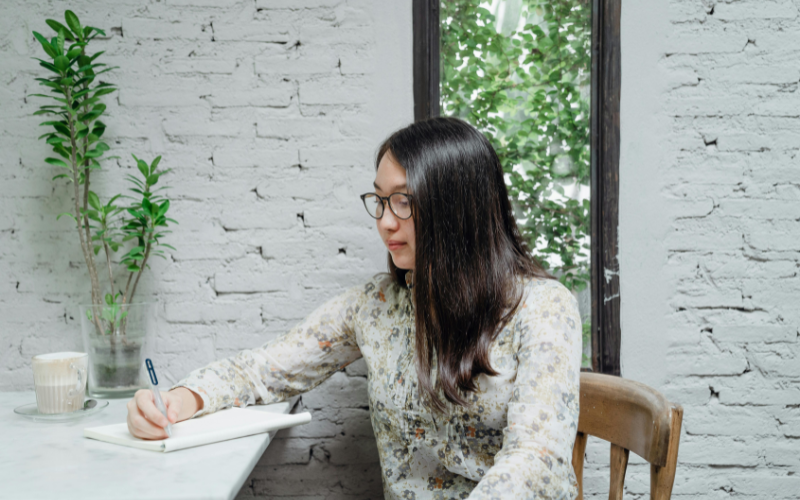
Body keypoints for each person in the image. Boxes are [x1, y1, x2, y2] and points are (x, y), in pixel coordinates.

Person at [126, 117, 582, 499]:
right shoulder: (375, 305)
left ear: (455, 206)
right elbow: (266, 369)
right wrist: (177, 401)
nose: (385, 221)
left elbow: (536, 461)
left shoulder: (541, 308)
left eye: (403, 200)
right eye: (380, 200)